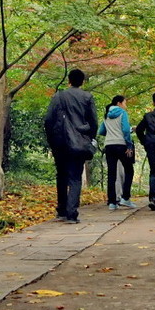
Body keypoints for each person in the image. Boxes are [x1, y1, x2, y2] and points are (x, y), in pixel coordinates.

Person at [43, 68, 99, 224]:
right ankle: (71, 213)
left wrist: (52, 141)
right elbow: (93, 122)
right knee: (75, 177)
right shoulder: (87, 97)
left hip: (60, 142)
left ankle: (61, 210)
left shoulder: (58, 96)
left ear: (69, 80)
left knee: (61, 175)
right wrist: (90, 138)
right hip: (79, 142)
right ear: (82, 82)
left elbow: (48, 120)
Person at [99, 95, 135, 210]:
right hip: (121, 145)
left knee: (111, 174)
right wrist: (129, 145)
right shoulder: (122, 113)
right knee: (129, 170)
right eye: (125, 103)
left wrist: (111, 134)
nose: (125, 105)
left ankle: (112, 202)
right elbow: (125, 130)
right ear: (119, 103)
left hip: (109, 145)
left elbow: (101, 131)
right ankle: (125, 198)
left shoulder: (106, 115)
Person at [134, 91, 155, 210]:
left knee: (154, 171)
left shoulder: (147, 116)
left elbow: (139, 130)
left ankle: (153, 198)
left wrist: (144, 141)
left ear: (153, 102)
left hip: (151, 144)